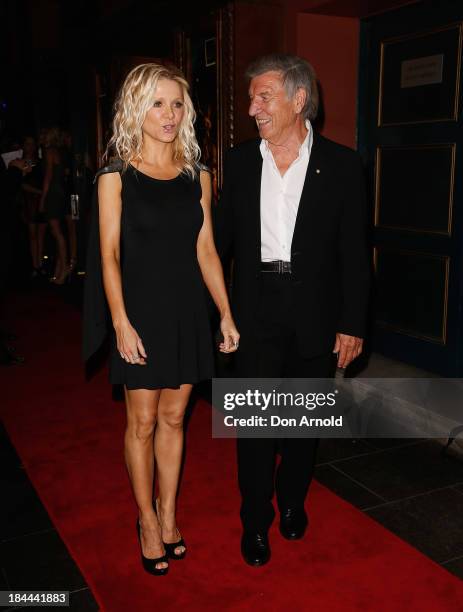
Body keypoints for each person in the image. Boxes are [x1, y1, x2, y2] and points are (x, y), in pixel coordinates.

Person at [82, 63, 239, 576]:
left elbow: (207, 249)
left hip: (187, 311)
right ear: (135, 108)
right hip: (141, 313)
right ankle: (145, 519)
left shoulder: (198, 174)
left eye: (176, 104)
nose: (168, 115)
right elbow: (107, 255)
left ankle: (170, 513)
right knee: (143, 422)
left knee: (175, 418)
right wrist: (120, 322)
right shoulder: (115, 175)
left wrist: (225, 313)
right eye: (157, 103)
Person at [217, 54, 370, 566]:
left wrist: (353, 323)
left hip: (316, 312)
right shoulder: (239, 164)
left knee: (303, 421)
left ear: (298, 100)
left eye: (264, 96)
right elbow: (216, 246)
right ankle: (255, 520)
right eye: (251, 97)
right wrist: (217, 311)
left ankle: (292, 500)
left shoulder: (343, 165)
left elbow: (354, 252)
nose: (252, 107)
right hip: (255, 306)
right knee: (257, 425)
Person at [39, 127, 70, 284]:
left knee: (57, 232)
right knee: (58, 232)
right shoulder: (58, 151)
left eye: (44, 134)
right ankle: (59, 270)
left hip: (53, 193)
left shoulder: (49, 151)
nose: (41, 136)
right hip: (59, 192)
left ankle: (63, 269)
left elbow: (48, 176)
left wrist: (43, 199)